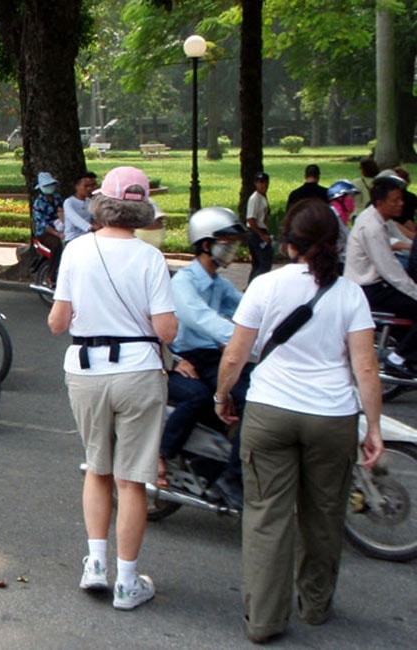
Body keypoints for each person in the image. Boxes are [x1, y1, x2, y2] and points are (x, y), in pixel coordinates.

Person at [214, 199, 383, 644]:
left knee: (268, 516)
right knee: (324, 516)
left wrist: (222, 395)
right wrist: (376, 429)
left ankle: (264, 620)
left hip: (270, 412)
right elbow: (365, 369)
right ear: (334, 242)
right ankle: (315, 604)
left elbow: (236, 354)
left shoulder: (266, 286)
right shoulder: (350, 294)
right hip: (332, 418)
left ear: (289, 241)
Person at [48, 166, 177, 611]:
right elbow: (167, 330)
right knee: (132, 480)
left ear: (102, 203)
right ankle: (126, 582)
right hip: (139, 372)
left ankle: (94, 565)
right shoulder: (150, 258)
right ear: (141, 208)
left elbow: (57, 323)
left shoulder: (77, 251)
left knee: (97, 469)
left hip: (85, 371)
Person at [160, 207, 249, 508]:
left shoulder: (219, 284)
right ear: (206, 244)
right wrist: (242, 339)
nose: (232, 248)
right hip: (183, 359)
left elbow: (248, 310)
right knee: (207, 397)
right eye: (227, 242)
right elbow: (204, 320)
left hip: (212, 358)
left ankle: (220, 465)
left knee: (254, 394)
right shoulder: (184, 283)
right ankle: (230, 478)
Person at [344, 175, 417, 377]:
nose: (401, 204)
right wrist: (414, 290)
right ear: (380, 202)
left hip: (378, 284)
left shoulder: (380, 219)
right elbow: (390, 269)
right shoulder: (372, 227)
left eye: (401, 199)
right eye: (395, 200)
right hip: (369, 289)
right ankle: (398, 358)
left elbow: (401, 241)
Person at [32, 172, 63, 286]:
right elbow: (42, 224)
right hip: (45, 233)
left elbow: (62, 212)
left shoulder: (57, 198)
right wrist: (57, 233)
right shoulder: (39, 203)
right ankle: (51, 276)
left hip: (61, 228)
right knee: (57, 245)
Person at [246, 171, 272, 283]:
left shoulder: (263, 197)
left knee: (258, 264)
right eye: (260, 182)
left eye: (265, 182)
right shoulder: (255, 198)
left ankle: (251, 285)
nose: (263, 185)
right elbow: (251, 219)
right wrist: (261, 235)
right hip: (256, 233)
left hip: (261, 231)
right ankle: (254, 286)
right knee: (263, 264)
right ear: (255, 184)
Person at [62, 172, 98, 243]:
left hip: (88, 236)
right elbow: (73, 218)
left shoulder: (89, 201)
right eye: (86, 186)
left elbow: (95, 216)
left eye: (93, 185)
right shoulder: (69, 202)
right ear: (77, 186)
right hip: (73, 238)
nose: (90, 189)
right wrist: (89, 227)